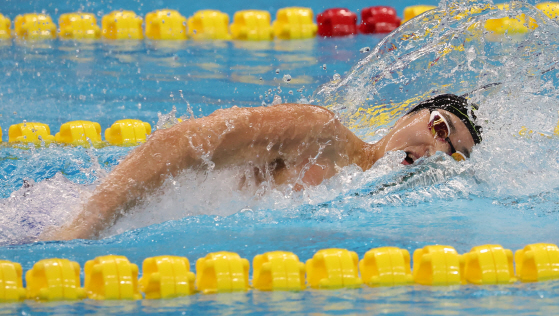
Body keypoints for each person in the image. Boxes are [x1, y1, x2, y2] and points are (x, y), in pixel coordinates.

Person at [42, 94, 482, 241]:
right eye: (441, 128)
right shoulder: (319, 134)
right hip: (65, 224)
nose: (436, 149)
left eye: (453, 153)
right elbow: (183, 143)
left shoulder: (386, 216)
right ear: (411, 115)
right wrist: (84, 227)